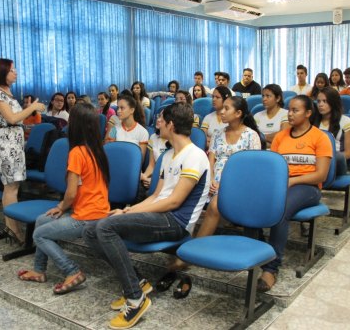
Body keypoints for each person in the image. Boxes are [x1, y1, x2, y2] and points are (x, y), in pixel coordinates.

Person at [83, 103, 210, 329]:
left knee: (105, 227)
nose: (157, 124)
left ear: (171, 124)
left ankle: (135, 298)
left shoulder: (195, 156)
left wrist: (129, 212)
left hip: (176, 221)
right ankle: (138, 282)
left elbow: (174, 201)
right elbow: (158, 195)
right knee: (90, 230)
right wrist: (128, 210)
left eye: (161, 120)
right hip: (161, 214)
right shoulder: (170, 154)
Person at [17, 103, 110, 294]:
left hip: (87, 217)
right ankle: (39, 270)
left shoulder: (77, 152)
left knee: (39, 234)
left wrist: (61, 206)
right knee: (42, 220)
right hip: (99, 212)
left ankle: (72, 271)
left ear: (76, 125)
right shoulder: (97, 149)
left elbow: (71, 193)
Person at [167, 96, 262, 273]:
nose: (222, 112)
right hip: (213, 183)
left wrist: (224, 185)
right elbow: (211, 159)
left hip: (238, 185)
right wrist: (210, 179)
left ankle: (190, 254)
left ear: (239, 113)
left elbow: (251, 169)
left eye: (226, 108)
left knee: (214, 207)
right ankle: (175, 242)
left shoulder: (251, 136)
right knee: (183, 197)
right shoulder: (218, 133)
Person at [258, 94, 332, 292]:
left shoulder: (320, 137)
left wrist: (292, 180)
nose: (289, 114)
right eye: (289, 110)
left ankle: (271, 268)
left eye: (295, 110)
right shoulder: (281, 137)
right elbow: (273, 167)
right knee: (252, 203)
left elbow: (320, 174)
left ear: (308, 113)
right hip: (282, 185)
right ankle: (257, 250)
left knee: (280, 209)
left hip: (308, 188)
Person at [0, 58, 44, 243]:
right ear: (3, 72)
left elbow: (15, 118)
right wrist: (33, 108)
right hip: (6, 145)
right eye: (12, 70)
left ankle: (11, 227)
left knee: (12, 187)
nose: (16, 72)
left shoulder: (8, 93)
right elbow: (12, 119)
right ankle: (14, 230)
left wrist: (28, 108)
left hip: (13, 145)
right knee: (11, 188)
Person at [314, 87, 350, 175]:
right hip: (315, 159)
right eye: (318, 101)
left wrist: (325, 160)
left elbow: (349, 153)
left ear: (333, 103)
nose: (320, 105)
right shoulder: (313, 121)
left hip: (335, 161)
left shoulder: (345, 121)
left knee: (338, 157)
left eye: (325, 101)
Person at [106, 94, 148, 163]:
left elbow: (140, 160)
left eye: (122, 108)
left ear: (132, 110)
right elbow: (110, 152)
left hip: (132, 168)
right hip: (115, 163)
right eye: (118, 108)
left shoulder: (143, 132)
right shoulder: (114, 129)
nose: (118, 111)